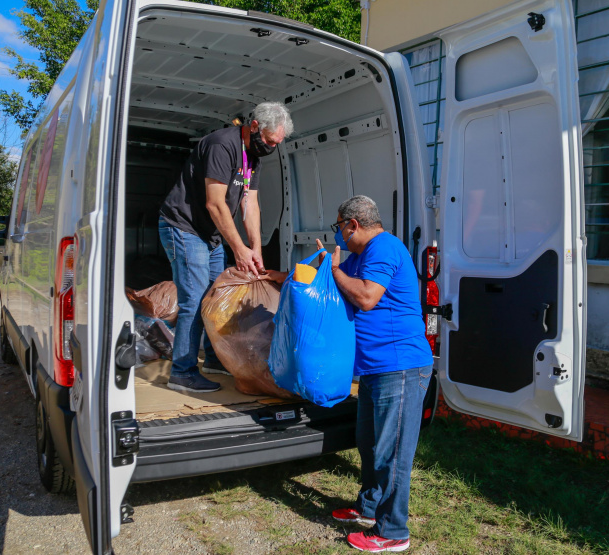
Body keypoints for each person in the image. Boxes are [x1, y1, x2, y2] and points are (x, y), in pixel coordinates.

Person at [315, 195, 433, 553]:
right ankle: (367, 510)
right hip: (374, 368)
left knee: (391, 452)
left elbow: (365, 297)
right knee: (368, 445)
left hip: (399, 367)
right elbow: (332, 284)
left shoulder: (384, 249)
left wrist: (334, 270)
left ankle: (393, 531)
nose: (338, 235)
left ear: (353, 224)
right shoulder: (358, 256)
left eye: (339, 227)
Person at [158, 102, 293, 393]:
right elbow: (215, 203)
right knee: (194, 301)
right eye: (270, 141)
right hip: (184, 228)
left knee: (216, 297)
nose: (272, 147)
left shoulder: (252, 156)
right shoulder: (223, 145)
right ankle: (182, 371)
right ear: (254, 126)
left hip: (211, 235)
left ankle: (215, 358)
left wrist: (255, 247)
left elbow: (250, 203)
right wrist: (238, 248)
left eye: (277, 143)